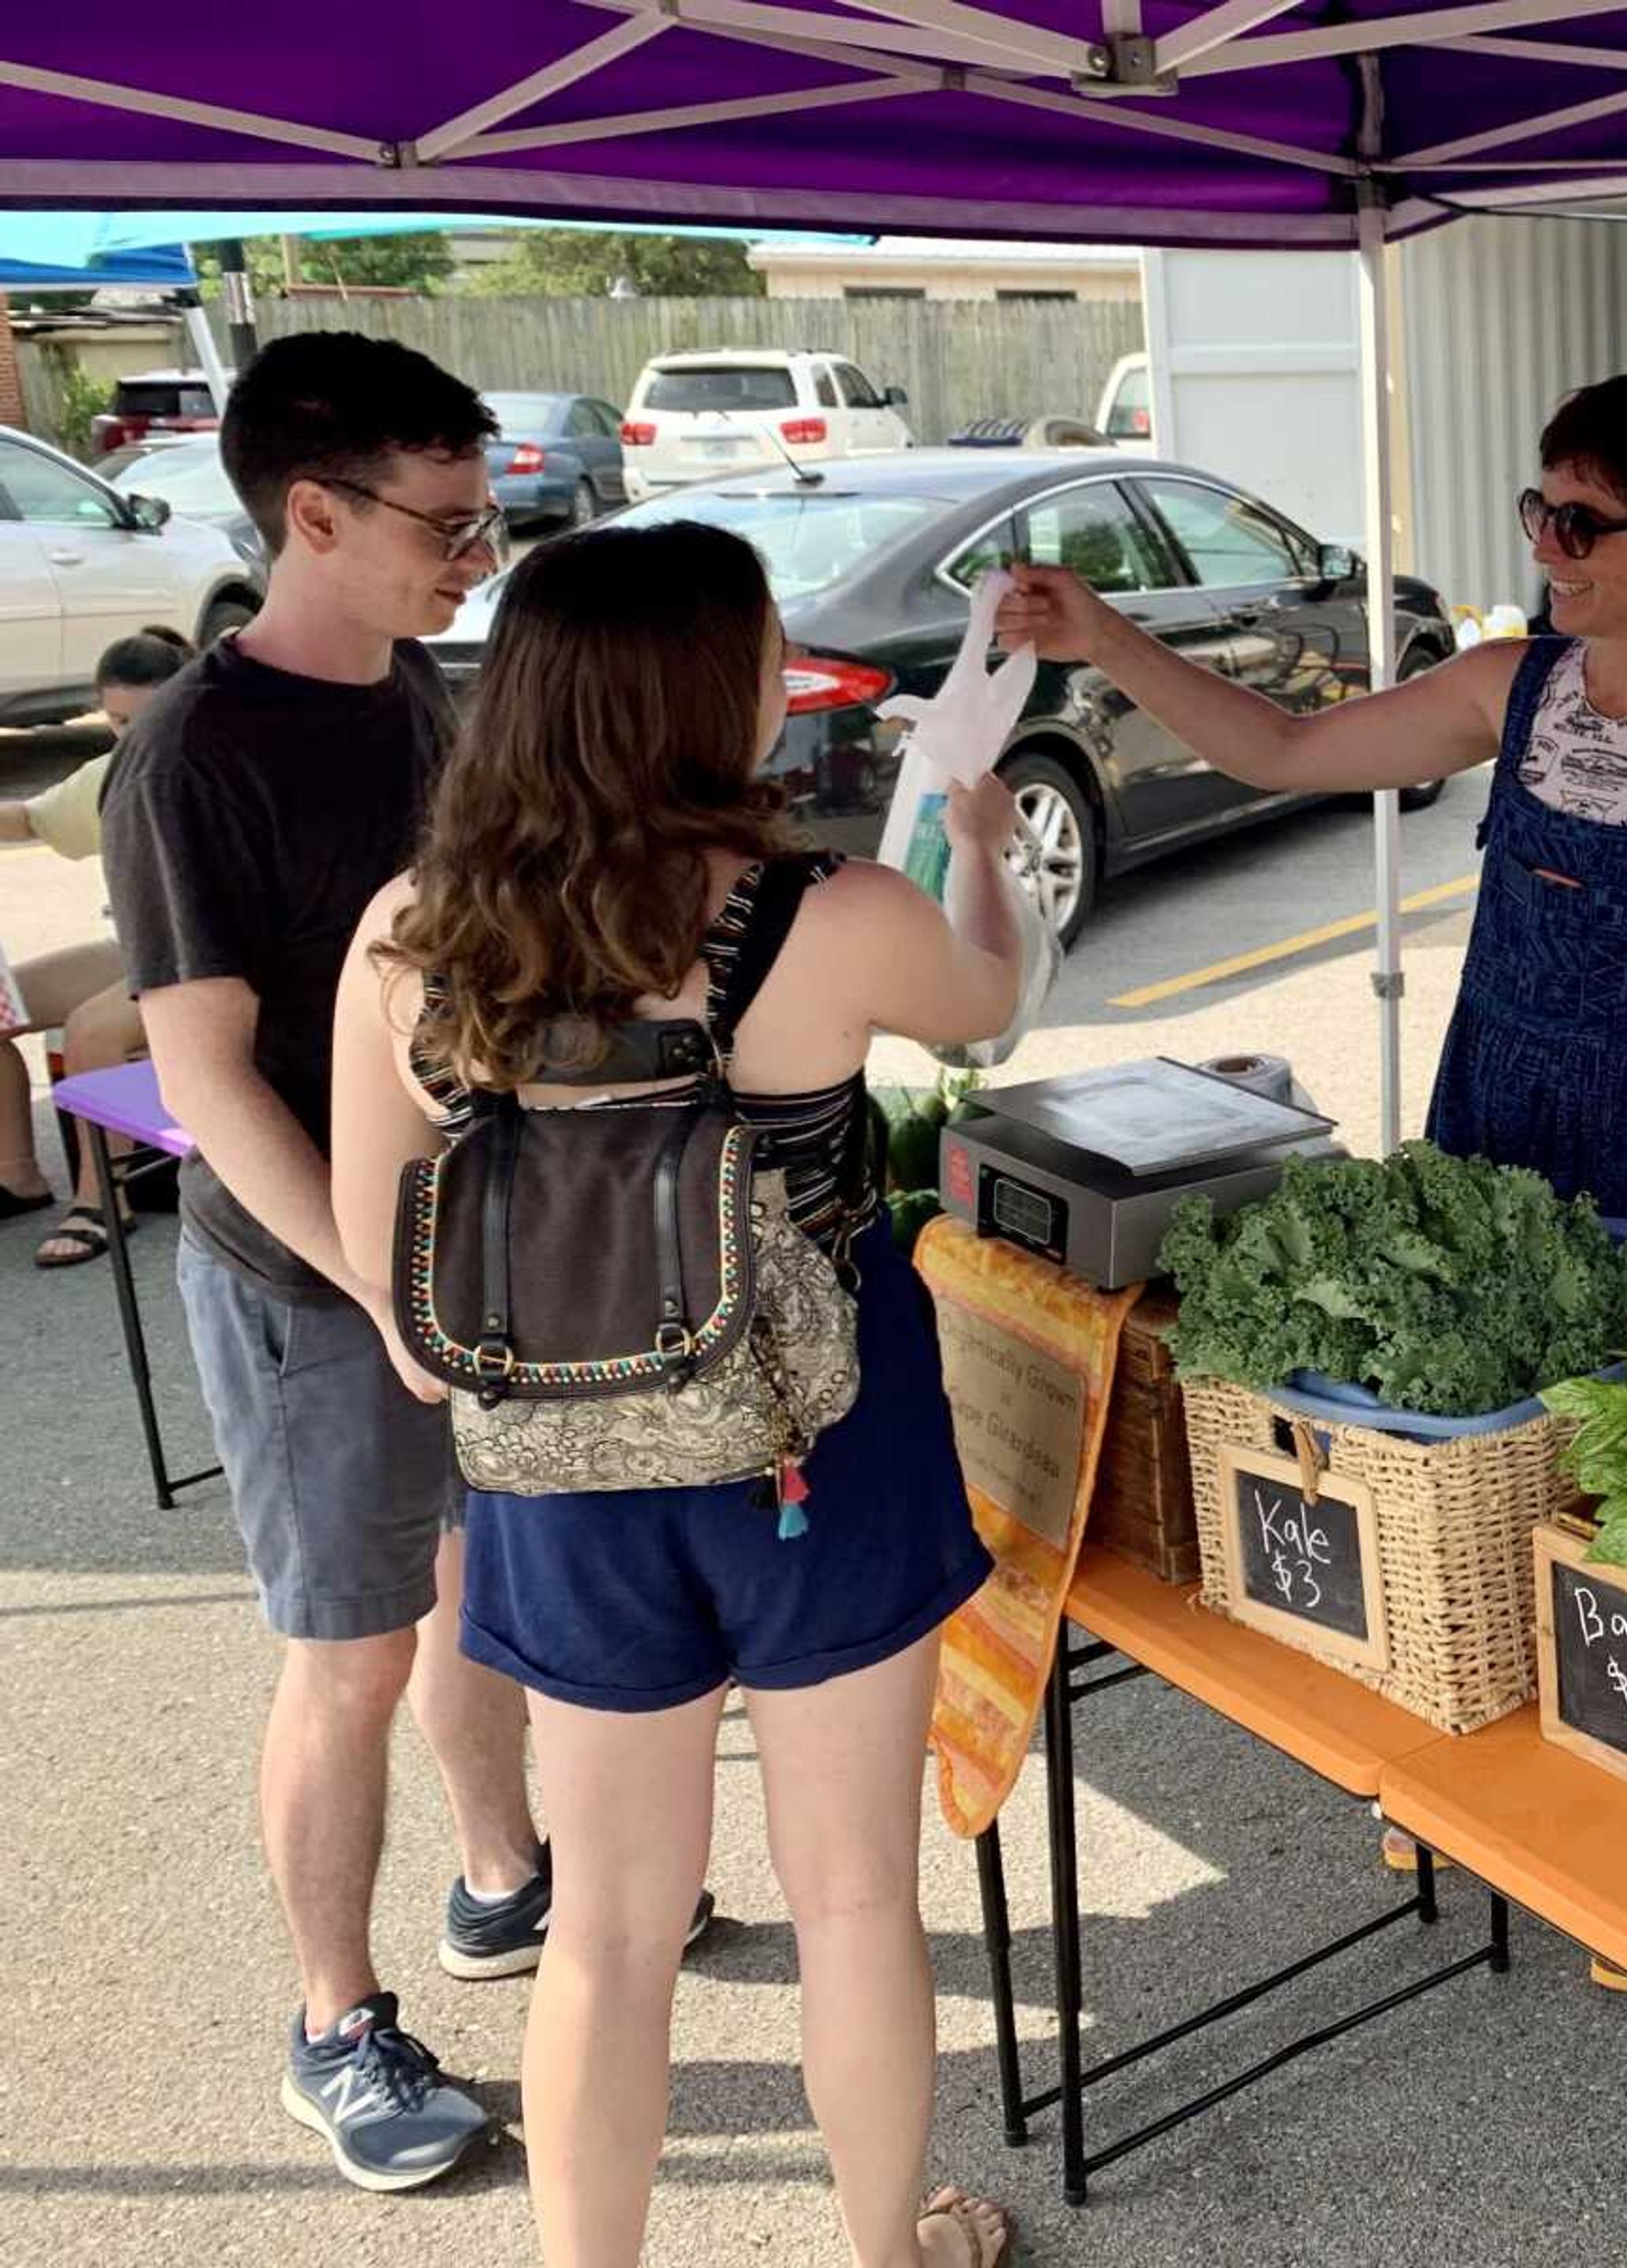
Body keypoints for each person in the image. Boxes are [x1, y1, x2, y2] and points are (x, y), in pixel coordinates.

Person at [328, 519, 1016, 2268]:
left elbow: (405, 1318)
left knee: (610, 1931)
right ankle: (889, 2248)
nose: (789, 677)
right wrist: (989, 847)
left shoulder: (410, 943)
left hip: (562, 1480)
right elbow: (993, 1007)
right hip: (819, 1448)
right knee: (855, 1894)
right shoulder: (830, 913)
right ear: (708, 694)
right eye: (770, 651)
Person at [97, 333, 546, 2192]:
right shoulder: (192, 755)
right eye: (447, 520)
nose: (477, 551)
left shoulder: (427, 693)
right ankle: (333, 2018)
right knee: (349, 1648)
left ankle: (507, 1876)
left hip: (461, 1244)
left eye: (486, 511)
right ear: (313, 512)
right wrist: (383, 1279)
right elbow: (203, 1074)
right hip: (308, 1279)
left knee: (477, 1591)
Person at [999, 371, 1627, 1242]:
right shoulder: (1507, 686)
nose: (1547, 548)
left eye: (1580, 525)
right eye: (1539, 511)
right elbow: (1279, 751)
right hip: (1488, 1138)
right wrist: (1102, 636)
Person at [1, 626, 188, 1266]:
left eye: (147, 718)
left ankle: (102, 1202)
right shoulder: (109, 774)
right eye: (117, 721)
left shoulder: (214, 763)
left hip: (207, 960)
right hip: (139, 950)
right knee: (2, 1002)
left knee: (92, 1030)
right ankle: (16, 1176)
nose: (132, 736)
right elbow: (32, 818)